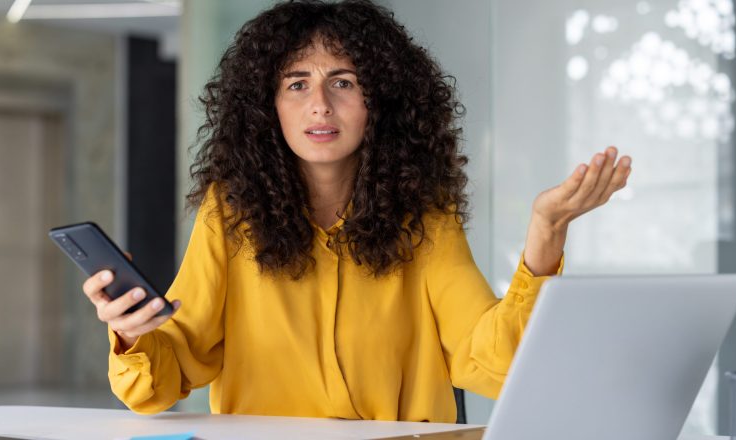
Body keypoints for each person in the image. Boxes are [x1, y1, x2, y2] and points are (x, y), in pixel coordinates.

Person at [81, 0, 632, 422]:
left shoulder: (426, 216)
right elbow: (168, 373)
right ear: (267, 106)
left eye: (343, 82)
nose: (320, 103)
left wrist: (545, 236)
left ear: (381, 101)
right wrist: (133, 335)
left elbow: (491, 361)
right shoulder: (230, 213)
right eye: (297, 83)